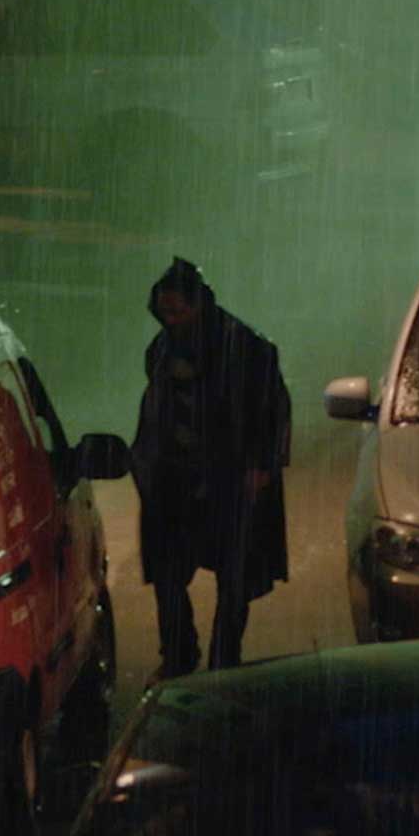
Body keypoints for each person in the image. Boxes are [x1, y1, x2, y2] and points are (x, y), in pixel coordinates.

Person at [130, 257, 289, 680]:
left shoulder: (247, 349)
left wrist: (261, 465)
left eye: (179, 311)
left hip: (228, 480)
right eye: (166, 313)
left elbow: (273, 410)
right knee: (167, 572)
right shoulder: (162, 350)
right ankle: (180, 653)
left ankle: (224, 660)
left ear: (198, 305)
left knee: (233, 578)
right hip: (174, 481)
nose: (172, 320)